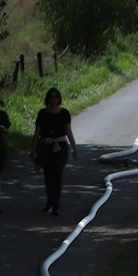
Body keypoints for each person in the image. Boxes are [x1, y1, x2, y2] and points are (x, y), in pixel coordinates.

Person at [31, 88, 78, 217]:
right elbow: (37, 133)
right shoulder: (42, 114)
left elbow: (68, 132)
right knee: (48, 175)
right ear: (48, 99)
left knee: (57, 174)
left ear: (59, 99)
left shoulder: (64, 113)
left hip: (60, 147)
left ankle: (56, 203)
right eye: (51, 97)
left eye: (56, 97)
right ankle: (50, 200)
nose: (54, 100)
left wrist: (74, 149)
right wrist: (33, 150)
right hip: (46, 147)